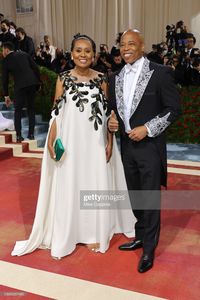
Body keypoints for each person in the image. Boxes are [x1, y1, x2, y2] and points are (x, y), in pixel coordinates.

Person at [11, 34, 135, 259]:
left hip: (95, 142)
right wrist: (51, 140)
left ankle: (93, 231)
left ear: (94, 54)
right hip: (71, 142)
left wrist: (109, 141)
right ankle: (71, 230)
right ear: (71, 53)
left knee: (94, 184)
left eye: (88, 51)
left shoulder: (102, 79)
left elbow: (108, 114)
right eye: (78, 50)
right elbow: (56, 113)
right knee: (72, 183)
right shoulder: (63, 78)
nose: (83, 55)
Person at [108, 29, 181, 273]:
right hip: (127, 145)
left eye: (131, 44)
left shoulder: (160, 73)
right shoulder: (115, 77)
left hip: (150, 145)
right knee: (135, 195)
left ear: (142, 46)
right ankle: (140, 236)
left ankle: (149, 248)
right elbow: (114, 110)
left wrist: (148, 129)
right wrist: (112, 121)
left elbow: (173, 109)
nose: (126, 48)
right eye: (122, 44)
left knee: (149, 199)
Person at [2, 42, 40, 142]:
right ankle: (31, 135)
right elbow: (36, 68)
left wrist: (6, 95)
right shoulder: (24, 54)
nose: (2, 52)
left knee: (17, 110)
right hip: (32, 83)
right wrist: (38, 83)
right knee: (31, 109)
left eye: (2, 50)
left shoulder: (6, 60)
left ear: (6, 50)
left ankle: (19, 136)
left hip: (20, 86)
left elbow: (4, 80)